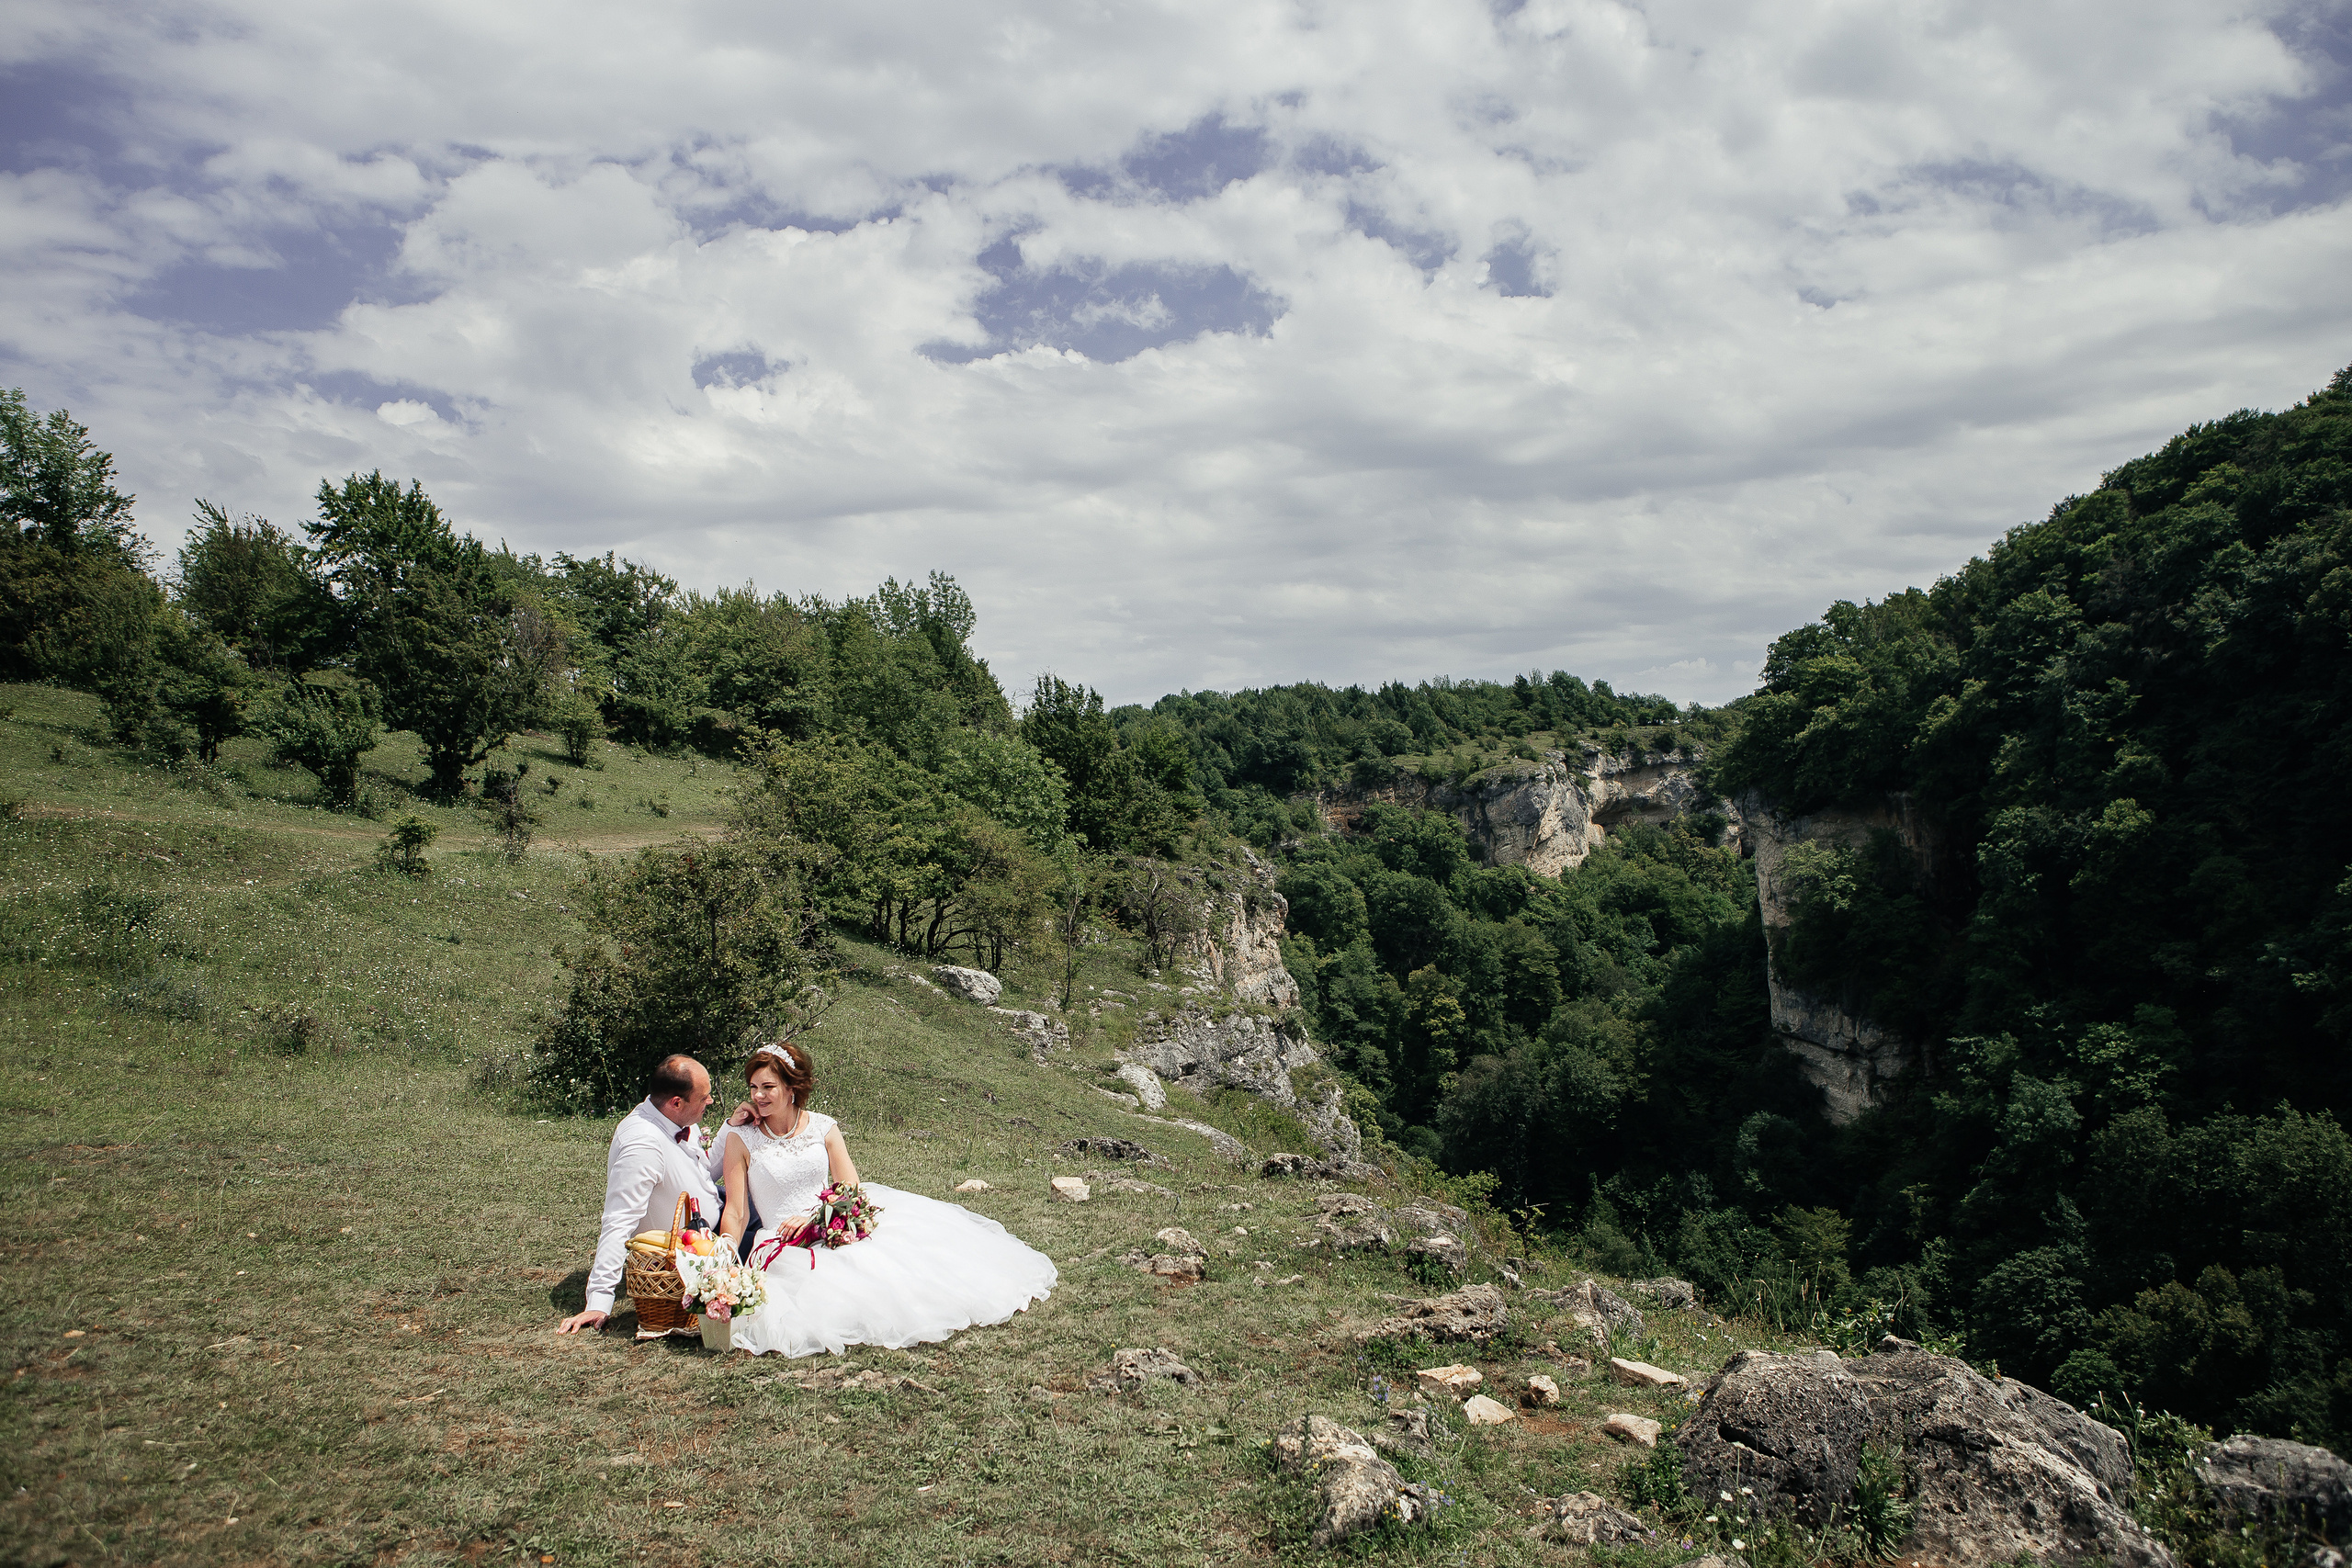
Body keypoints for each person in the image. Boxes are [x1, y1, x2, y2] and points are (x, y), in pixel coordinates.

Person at [715, 1040, 1056, 1356]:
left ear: (791, 1088)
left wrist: (816, 1218)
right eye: (754, 1088)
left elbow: (850, 1189)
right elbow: (736, 1211)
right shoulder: (741, 1139)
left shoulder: (822, 1127)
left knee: (895, 1275)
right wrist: (725, 1253)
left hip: (830, 1222)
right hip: (780, 1240)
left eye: (768, 1087)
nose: (758, 1096)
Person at [558, 1054, 739, 1336]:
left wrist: (731, 1127)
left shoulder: (672, 1118)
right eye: (705, 1097)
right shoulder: (642, 1144)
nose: (711, 1101)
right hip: (699, 1243)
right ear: (676, 1103)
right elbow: (619, 1219)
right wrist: (600, 1300)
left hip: (718, 1203)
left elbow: (705, 1172)